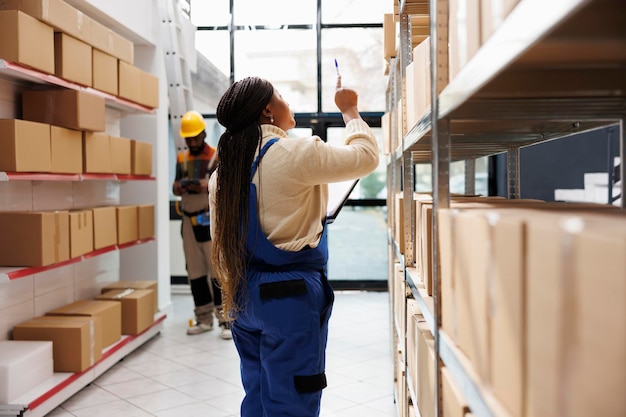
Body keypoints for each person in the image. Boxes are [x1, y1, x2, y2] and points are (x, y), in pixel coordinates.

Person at [208, 75, 379, 416]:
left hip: (243, 296)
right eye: (282, 96)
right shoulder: (297, 153)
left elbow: (221, 244)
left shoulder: (222, 173)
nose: (289, 102)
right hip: (290, 300)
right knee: (292, 400)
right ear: (268, 110)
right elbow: (366, 157)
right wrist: (349, 111)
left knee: (256, 393)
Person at [172, 110, 232, 339]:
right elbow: (175, 185)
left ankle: (225, 319)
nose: (192, 142)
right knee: (195, 272)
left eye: (195, 138)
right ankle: (203, 318)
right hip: (188, 219)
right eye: (189, 139)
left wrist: (202, 185)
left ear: (204, 134)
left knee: (217, 271)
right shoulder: (182, 158)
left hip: (209, 219)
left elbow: (221, 185)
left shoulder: (215, 157)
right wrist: (180, 187)